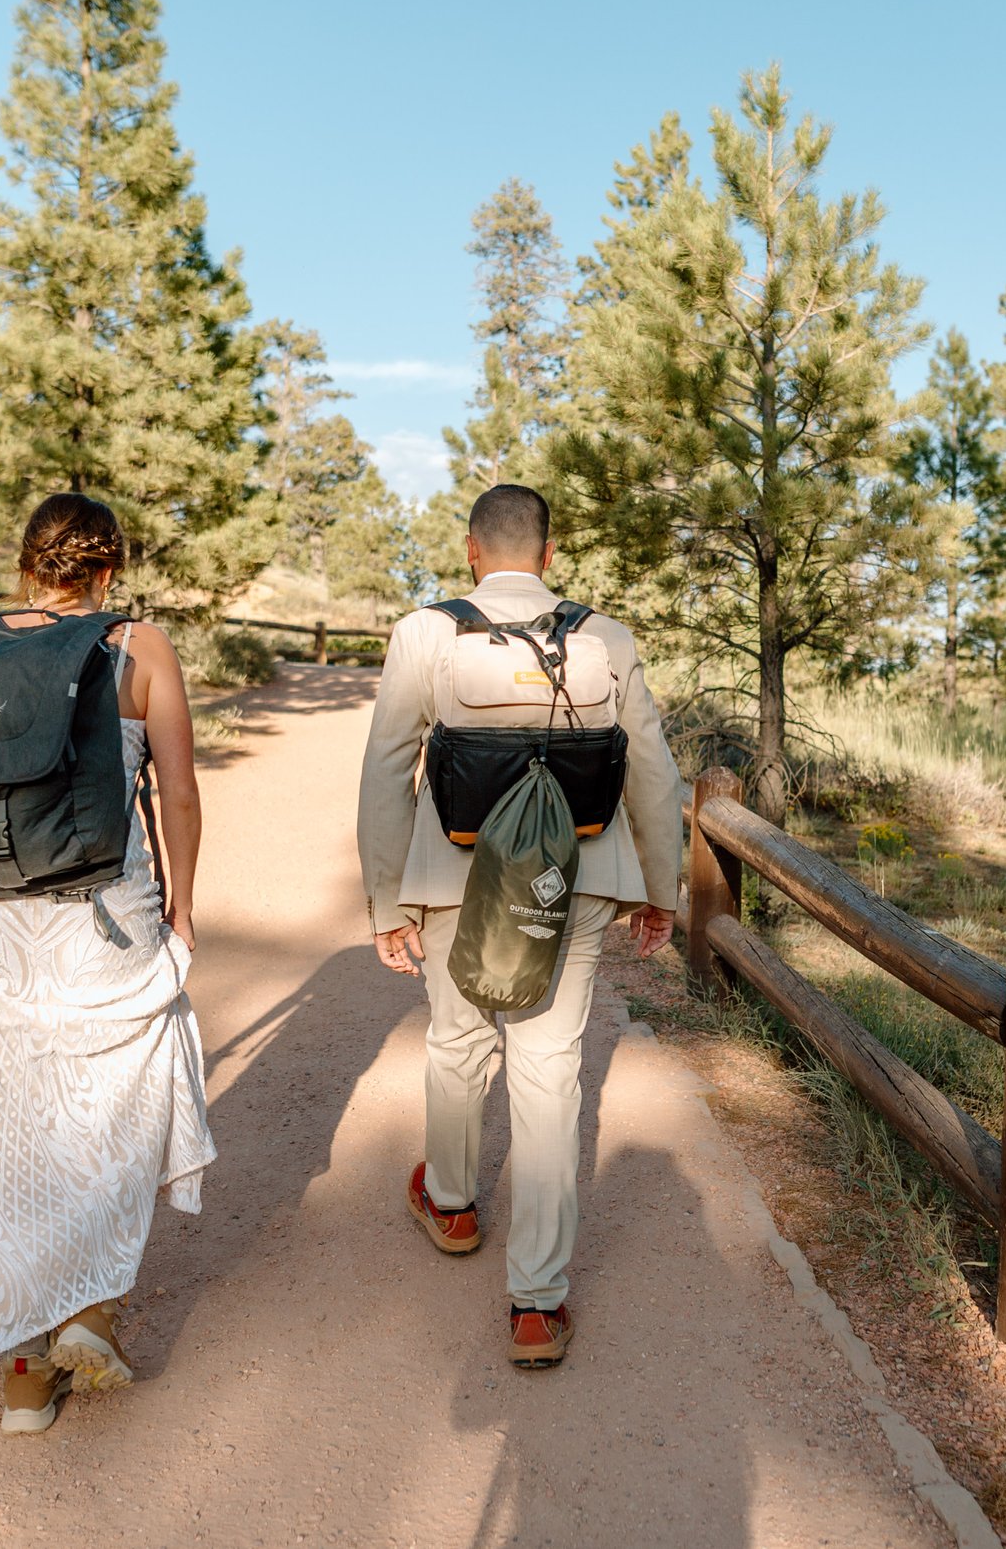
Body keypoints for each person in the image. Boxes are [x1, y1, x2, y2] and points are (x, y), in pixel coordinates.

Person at [0, 493, 216, 1435]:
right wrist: (184, 908)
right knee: (117, 1108)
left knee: (6, 1127)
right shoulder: (136, 646)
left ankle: (28, 1370)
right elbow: (178, 793)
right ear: (109, 570)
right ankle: (90, 1308)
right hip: (101, 911)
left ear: (28, 564)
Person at [357, 483, 682, 1368]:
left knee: (458, 1039)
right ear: (547, 555)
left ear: (472, 551)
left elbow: (387, 769)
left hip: (455, 873)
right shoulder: (603, 635)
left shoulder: (427, 633)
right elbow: (650, 769)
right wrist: (662, 888)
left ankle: (454, 1203)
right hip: (572, 878)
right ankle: (537, 1303)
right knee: (550, 1068)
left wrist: (388, 900)